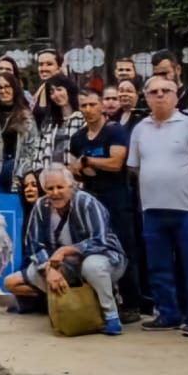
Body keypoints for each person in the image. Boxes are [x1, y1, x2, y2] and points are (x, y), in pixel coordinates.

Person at [126, 74, 188, 337]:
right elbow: (134, 166)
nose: (160, 95)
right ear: (146, 97)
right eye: (154, 92)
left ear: (176, 96)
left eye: (166, 90)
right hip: (152, 209)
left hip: (187, 209)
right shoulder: (140, 129)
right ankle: (167, 313)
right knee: (158, 266)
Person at [4, 165, 129, 334]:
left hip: (104, 258)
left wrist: (67, 250)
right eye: (50, 188)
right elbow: (34, 245)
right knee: (30, 274)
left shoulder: (87, 203)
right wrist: (49, 269)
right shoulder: (41, 206)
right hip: (65, 264)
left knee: (92, 266)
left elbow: (101, 241)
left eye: (60, 187)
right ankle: (74, 308)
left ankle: (111, 315)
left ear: (71, 186)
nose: (55, 193)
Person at [68, 86, 140, 320]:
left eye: (92, 104)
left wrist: (89, 162)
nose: (88, 109)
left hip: (117, 197)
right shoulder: (78, 137)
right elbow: (74, 169)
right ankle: (101, 301)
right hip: (91, 198)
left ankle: (132, 303)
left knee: (124, 247)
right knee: (93, 247)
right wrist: (84, 167)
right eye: (84, 106)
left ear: (101, 106)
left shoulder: (115, 131)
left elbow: (116, 164)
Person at [0, 71, 43, 193]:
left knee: (14, 204)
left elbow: (34, 146)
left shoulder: (25, 115)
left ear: (14, 88)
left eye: (7, 86)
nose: (3, 91)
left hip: (16, 168)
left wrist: (26, 169)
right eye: (0, 87)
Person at [34, 77, 84, 169]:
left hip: (74, 173)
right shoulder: (49, 123)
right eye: (51, 92)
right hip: (48, 174)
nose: (56, 95)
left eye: (59, 89)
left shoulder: (82, 119)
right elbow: (38, 153)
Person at [150, 49, 188, 121]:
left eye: (164, 73)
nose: (160, 78)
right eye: (156, 75)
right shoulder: (151, 100)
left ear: (178, 69)